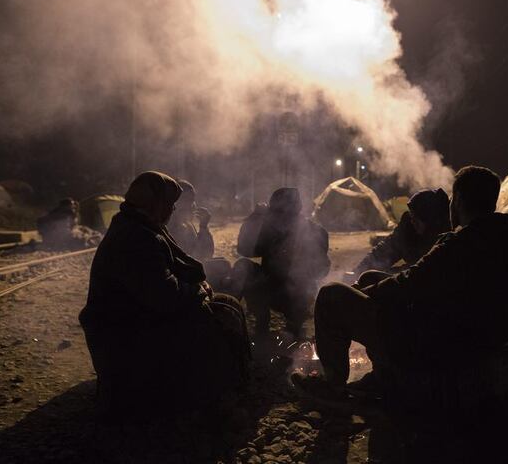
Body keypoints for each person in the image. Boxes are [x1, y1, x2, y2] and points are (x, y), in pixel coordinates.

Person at [292, 166, 508, 402]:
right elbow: (421, 279)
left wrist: (367, 293)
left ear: (458, 199)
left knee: (331, 295)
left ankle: (332, 386)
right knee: (371, 277)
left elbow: (410, 282)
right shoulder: (503, 235)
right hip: (488, 328)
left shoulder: (459, 245)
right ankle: (383, 376)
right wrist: (372, 284)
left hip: (447, 338)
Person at [79, 171, 249, 418]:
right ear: (156, 204)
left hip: (135, 319)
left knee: (225, 303)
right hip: (123, 335)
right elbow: (164, 296)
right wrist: (197, 290)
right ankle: (212, 398)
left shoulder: (140, 225)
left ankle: (231, 381)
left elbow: (176, 271)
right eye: (169, 204)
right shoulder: (136, 237)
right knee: (214, 318)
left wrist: (199, 284)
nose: (172, 210)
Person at [233, 188, 330, 338]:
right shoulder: (270, 231)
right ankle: (261, 321)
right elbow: (244, 249)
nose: (280, 218)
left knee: (302, 288)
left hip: (297, 293)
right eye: (277, 212)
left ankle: (295, 326)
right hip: (270, 286)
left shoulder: (315, 232)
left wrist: (302, 265)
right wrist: (254, 219)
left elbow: (322, 269)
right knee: (243, 266)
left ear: (297, 210)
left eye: (284, 212)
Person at [352, 188, 450, 287]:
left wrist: (386, 278)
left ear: (431, 220)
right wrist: (357, 272)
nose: (413, 222)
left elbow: (419, 271)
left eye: (417, 218)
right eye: (412, 217)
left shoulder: (446, 239)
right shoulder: (408, 227)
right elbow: (385, 250)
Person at [169, 179, 231, 289]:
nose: (192, 205)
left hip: (192, 269)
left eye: (192, 200)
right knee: (225, 267)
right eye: (187, 200)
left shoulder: (187, 224)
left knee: (225, 265)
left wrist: (203, 227)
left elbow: (206, 253)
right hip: (183, 277)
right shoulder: (171, 225)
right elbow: (196, 256)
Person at [36, 197, 100, 250]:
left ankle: (94, 237)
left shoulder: (60, 212)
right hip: (59, 238)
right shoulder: (63, 215)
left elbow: (73, 226)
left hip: (52, 238)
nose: (73, 207)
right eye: (72, 205)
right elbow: (65, 232)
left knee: (84, 229)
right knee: (82, 239)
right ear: (66, 206)